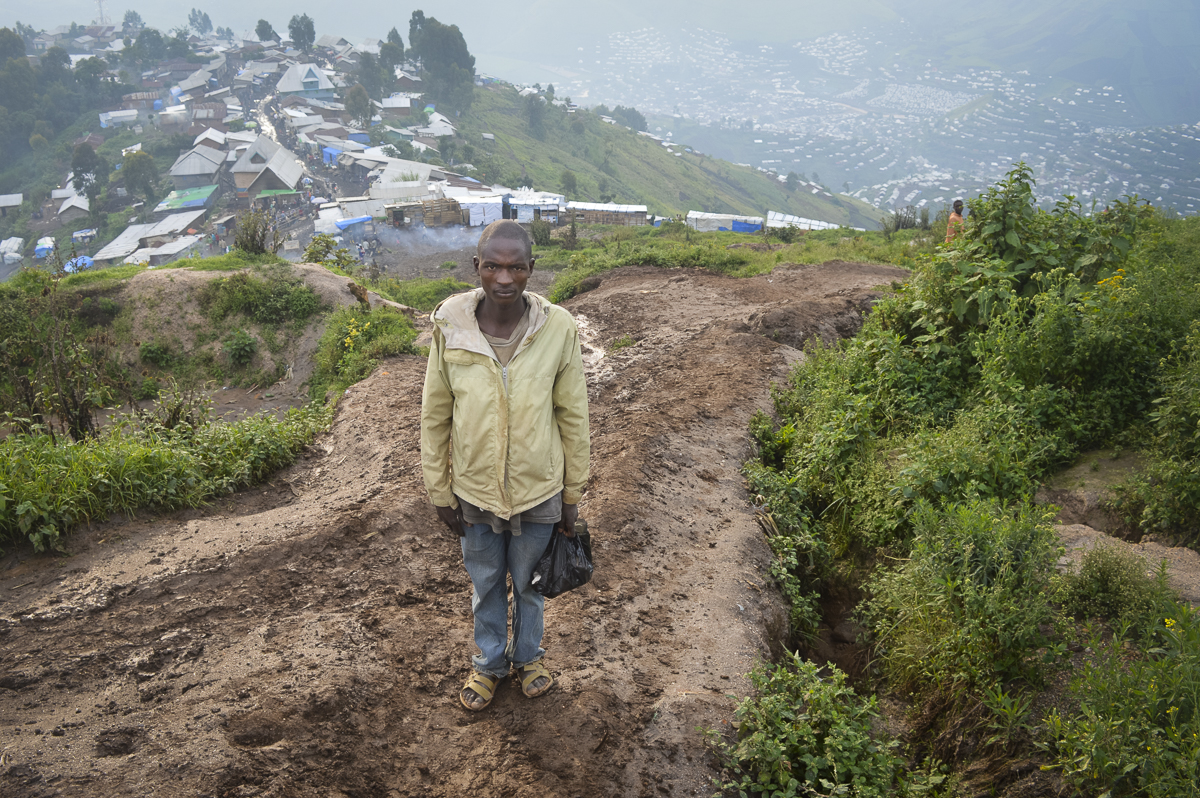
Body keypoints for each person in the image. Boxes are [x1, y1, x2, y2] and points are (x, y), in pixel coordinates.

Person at [420, 219, 590, 712]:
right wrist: (440, 490)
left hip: (539, 489)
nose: (503, 278)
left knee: (533, 584)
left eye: (516, 267)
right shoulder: (449, 326)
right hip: (473, 491)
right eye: (492, 265)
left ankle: (529, 657)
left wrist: (571, 495)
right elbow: (436, 414)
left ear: (532, 270)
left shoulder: (558, 328)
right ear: (477, 267)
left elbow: (572, 414)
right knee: (487, 583)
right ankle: (490, 664)